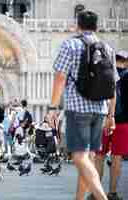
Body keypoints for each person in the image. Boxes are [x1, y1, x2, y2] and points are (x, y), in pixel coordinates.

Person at [48, 11, 118, 200]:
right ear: (96, 26)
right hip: (100, 110)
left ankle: (101, 197)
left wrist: (52, 108)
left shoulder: (70, 44)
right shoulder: (107, 48)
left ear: (77, 25)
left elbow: (60, 77)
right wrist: (111, 116)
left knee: (79, 157)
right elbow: (113, 85)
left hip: (78, 108)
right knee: (89, 158)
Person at [94, 52, 128, 200]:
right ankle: (113, 193)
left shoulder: (104, 74)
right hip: (123, 123)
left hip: (103, 121)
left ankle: (96, 193)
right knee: (116, 158)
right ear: (126, 62)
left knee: (99, 157)